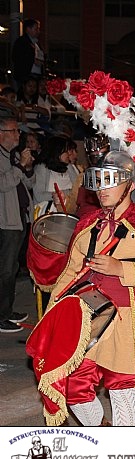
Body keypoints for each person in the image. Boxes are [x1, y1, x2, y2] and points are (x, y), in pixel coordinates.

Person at [26, 150, 135, 426]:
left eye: (113, 182)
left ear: (130, 185)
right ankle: (100, 431)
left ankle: (120, 452)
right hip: (85, 316)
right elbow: (70, 273)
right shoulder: (88, 223)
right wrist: (52, 315)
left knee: (121, 387)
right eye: (101, 182)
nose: (104, 190)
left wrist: (122, 269)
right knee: (72, 385)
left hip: (125, 317)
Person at [0, 117, 34, 332]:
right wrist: (20, 166)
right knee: (5, 270)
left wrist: (26, 167)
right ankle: (2, 316)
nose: (18, 135)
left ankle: (7, 310)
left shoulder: (11, 156)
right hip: (6, 220)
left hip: (19, 217)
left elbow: (26, 182)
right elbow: (3, 184)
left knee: (11, 268)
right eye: (14, 131)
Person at [11, 19, 45, 85]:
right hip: (26, 75)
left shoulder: (37, 43)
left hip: (36, 74)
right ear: (28, 29)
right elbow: (16, 57)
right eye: (36, 29)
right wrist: (33, 60)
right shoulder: (22, 42)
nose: (38, 31)